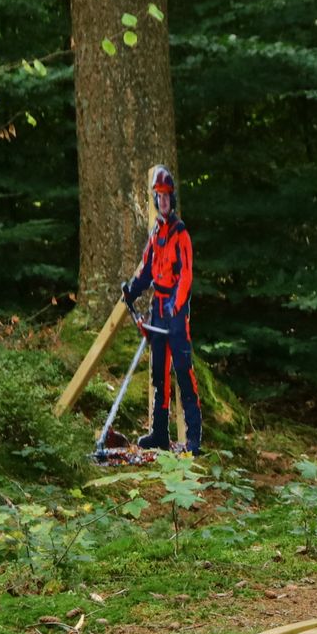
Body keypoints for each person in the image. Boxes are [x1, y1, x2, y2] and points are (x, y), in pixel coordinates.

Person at [122, 164, 203, 453]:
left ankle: (193, 437)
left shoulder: (181, 234)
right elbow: (146, 269)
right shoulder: (156, 234)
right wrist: (132, 290)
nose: (164, 200)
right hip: (158, 307)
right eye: (159, 196)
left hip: (176, 311)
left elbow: (186, 276)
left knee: (182, 369)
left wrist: (175, 305)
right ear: (156, 200)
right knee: (159, 372)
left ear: (173, 198)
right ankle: (159, 432)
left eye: (167, 195)